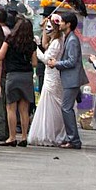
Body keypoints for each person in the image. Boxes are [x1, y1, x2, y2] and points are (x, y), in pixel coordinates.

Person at [45, 11, 84, 150]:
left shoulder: (72, 40)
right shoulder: (68, 37)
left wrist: (57, 63)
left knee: (66, 108)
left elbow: (72, 61)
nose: (59, 24)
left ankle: (74, 140)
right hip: (69, 78)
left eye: (61, 22)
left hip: (72, 79)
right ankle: (72, 138)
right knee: (66, 108)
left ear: (68, 24)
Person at [0, 16, 37, 147]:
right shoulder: (31, 44)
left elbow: (0, 56)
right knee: (24, 109)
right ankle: (24, 136)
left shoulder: (10, 40)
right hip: (27, 76)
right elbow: (35, 63)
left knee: (11, 108)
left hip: (13, 76)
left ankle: (12, 137)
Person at [28, 14, 67, 146]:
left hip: (53, 75)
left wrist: (36, 49)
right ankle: (52, 132)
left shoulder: (57, 42)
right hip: (52, 75)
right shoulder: (58, 40)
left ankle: (51, 133)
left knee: (52, 103)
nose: (47, 29)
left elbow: (47, 59)